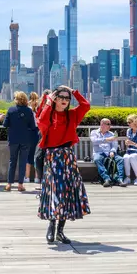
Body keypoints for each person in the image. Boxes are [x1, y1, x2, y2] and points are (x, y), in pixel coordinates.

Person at [38, 86, 91, 244]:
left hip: (67, 156)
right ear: (55, 98)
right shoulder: (49, 113)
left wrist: (74, 91)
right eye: (60, 97)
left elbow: (86, 105)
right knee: (55, 191)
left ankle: (60, 231)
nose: (64, 100)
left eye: (67, 98)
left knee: (67, 192)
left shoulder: (72, 115)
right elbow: (41, 122)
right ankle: (51, 226)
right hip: (52, 157)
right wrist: (48, 101)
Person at [4, 91, 36, 192]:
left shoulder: (11, 110)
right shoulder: (29, 111)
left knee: (12, 161)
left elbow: (5, 124)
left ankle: (9, 184)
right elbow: (33, 126)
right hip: (25, 140)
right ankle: (20, 184)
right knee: (23, 162)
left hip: (13, 139)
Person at [91, 118, 125, 187]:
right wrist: (107, 140)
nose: (110, 126)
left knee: (120, 159)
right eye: (108, 124)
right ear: (102, 124)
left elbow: (114, 145)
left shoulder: (111, 134)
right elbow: (94, 141)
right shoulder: (94, 132)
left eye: (110, 124)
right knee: (97, 159)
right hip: (99, 153)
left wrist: (112, 151)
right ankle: (106, 179)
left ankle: (120, 179)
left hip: (110, 153)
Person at [33, 89, 50, 185]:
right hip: (42, 134)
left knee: (43, 158)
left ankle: (45, 179)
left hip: (50, 134)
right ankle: (42, 178)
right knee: (38, 158)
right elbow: (38, 115)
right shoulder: (41, 108)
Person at [25, 92, 41, 184]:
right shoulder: (39, 109)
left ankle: (26, 177)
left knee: (28, 155)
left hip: (30, 132)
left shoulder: (28, 109)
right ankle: (37, 177)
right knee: (37, 155)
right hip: (38, 132)